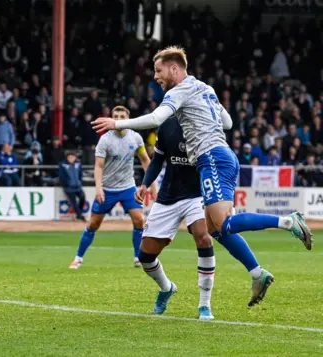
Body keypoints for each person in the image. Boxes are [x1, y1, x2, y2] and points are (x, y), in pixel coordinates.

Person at [91, 46, 312, 307]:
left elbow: (156, 117)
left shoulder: (180, 90)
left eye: (158, 71)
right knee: (214, 230)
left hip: (212, 158)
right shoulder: (206, 88)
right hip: (221, 156)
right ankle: (257, 273)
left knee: (224, 225)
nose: (155, 77)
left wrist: (117, 123)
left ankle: (288, 222)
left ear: (175, 68)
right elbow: (227, 123)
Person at [136, 116, 216, 320]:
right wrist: (145, 184)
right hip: (168, 196)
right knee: (145, 256)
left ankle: (204, 305)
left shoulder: (205, 122)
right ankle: (166, 288)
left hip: (197, 194)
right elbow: (157, 161)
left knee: (204, 237)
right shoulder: (167, 126)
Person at [69, 106, 158, 269]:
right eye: (115, 116)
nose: (118, 118)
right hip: (108, 189)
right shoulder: (105, 140)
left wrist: (153, 185)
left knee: (139, 220)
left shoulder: (136, 138)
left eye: (122, 116)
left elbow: (145, 160)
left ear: (128, 118)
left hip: (128, 187)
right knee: (94, 224)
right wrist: (98, 188)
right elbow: (98, 166)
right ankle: (78, 258)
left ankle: (138, 257)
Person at [58, 152, 86, 221]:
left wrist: (80, 182)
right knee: (74, 202)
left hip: (78, 187)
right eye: (70, 157)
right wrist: (66, 184)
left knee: (82, 198)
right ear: (67, 158)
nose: (71, 159)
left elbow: (80, 174)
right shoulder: (63, 165)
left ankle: (79, 214)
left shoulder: (78, 164)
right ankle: (80, 215)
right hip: (68, 188)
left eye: (73, 157)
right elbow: (61, 176)